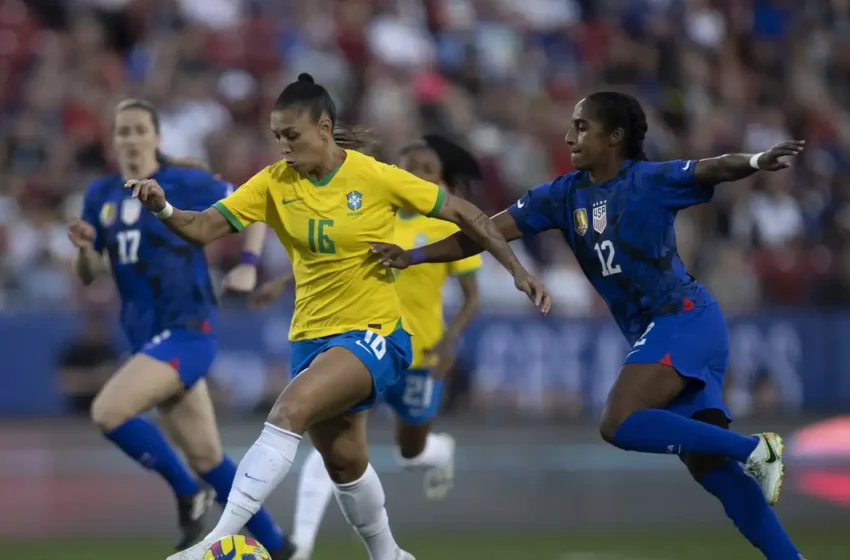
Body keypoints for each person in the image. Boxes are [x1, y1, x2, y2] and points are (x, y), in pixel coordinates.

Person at [126, 73, 548, 560]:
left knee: (287, 412)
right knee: (344, 464)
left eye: (292, 135)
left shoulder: (374, 177)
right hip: (310, 337)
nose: (283, 147)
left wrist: (516, 269)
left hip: (375, 333)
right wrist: (163, 208)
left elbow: (464, 213)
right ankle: (390, 555)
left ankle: (212, 542)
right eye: (276, 136)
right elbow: (202, 228)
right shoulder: (272, 184)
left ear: (324, 128)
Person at [372, 91, 808, 560]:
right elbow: (483, 231)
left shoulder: (649, 180)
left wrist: (759, 159)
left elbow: (713, 167)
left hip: (684, 319)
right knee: (712, 470)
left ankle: (755, 448)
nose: (568, 136)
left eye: (581, 127)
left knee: (618, 421)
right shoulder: (563, 196)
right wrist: (414, 256)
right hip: (666, 328)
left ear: (614, 137)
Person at [68, 99, 295, 558]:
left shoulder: (184, 182)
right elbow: (91, 272)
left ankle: (187, 494)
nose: (130, 138)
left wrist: (248, 265)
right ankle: (282, 549)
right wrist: (85, 250)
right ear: (114, 141)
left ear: (156, 137)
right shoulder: (100, 196)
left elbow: (253, 205)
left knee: (108, 411)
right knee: (209, 458)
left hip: (188, 329)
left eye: (138, 130)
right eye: (123, 131)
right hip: (146, 337)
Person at [250, 134, 483, 559]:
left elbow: (472, 297)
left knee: (410, 452)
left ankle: (438, 450)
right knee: (334, 445)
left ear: (440, 180)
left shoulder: (445, 225)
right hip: (363, 342)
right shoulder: (376, 208)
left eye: (425, 169)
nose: (413, 173)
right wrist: (282, 282)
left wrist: (450, 343)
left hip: (419, 356)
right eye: (407, 164)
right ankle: (301, 544)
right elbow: (331, 256)